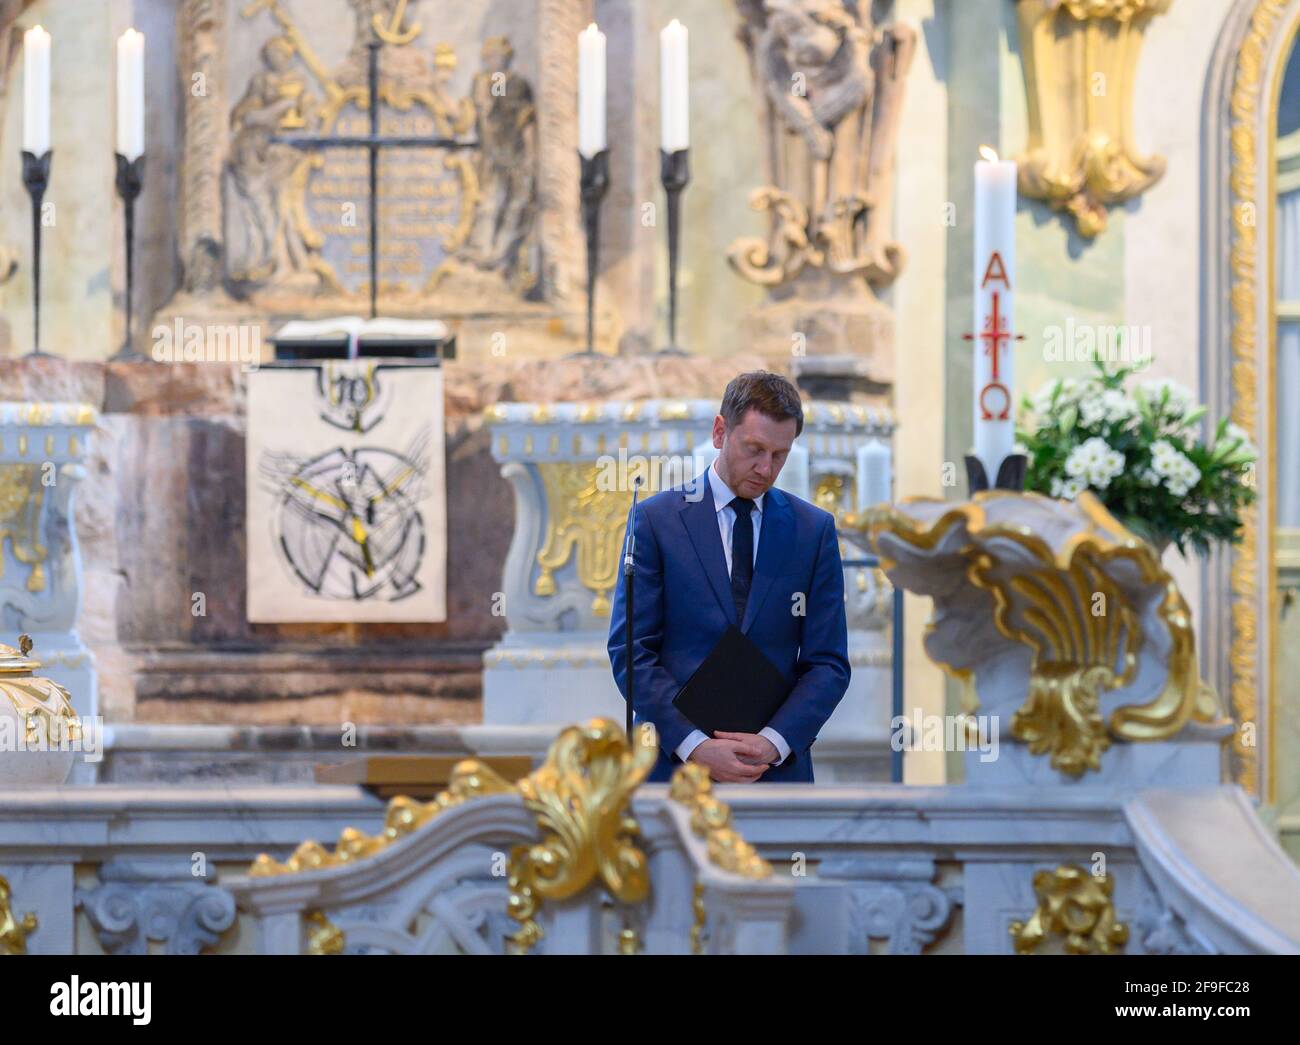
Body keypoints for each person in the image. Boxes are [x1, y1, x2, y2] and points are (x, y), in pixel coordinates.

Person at [607, 371, 850, 784]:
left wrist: (773, 742)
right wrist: (695, 746)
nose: (765, 468)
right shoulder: (656, 521)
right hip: (675, 772)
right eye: (754, 449)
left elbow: (828, 663)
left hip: (775, 774)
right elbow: (631, 651)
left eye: (780, 455)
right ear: (720, 431)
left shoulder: (813, 530)